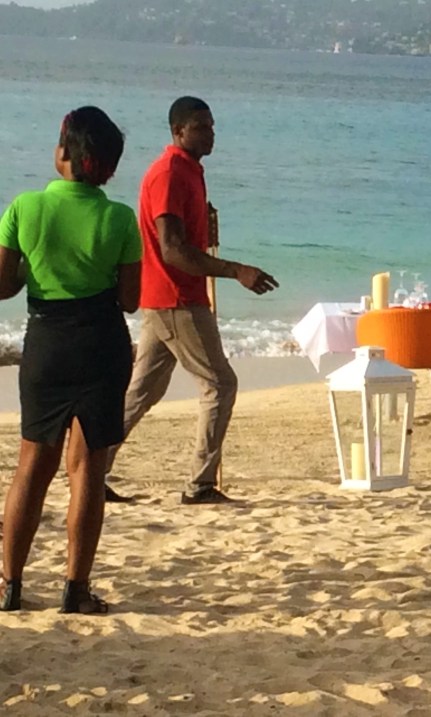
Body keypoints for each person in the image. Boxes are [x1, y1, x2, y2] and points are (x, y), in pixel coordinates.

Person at [0, 106, 142, 614]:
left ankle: (10, 585)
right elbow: (130, 300)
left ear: (64, 153)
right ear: (108, 168)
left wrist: (33, 270)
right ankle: (75, 589)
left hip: (47, 343)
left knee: (31, 466)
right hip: (101, 343)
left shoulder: (24, 207)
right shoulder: (120, 218)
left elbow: (3, 284)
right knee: (87, 470)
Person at [104, 96, 278, 505]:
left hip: (166, 297)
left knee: (142, 391)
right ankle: (199, 485)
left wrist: (204, 220)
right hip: (177, 298)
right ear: (179, 131)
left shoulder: (189, 171)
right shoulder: (168, 173)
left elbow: (183, 233)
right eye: (202, 126)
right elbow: (172, 249)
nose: (211, 133)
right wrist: (237, 271)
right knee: (220, 384)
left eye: (212, 125)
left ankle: (93, 468)